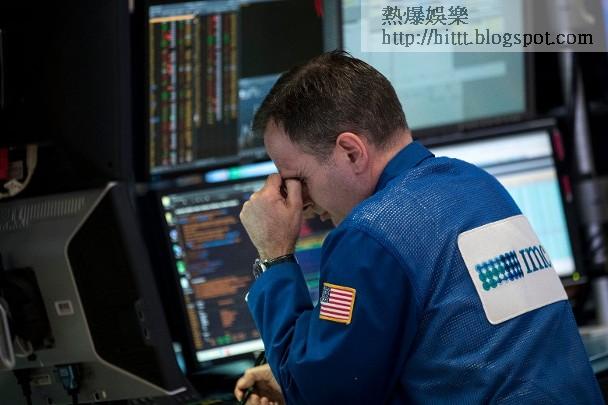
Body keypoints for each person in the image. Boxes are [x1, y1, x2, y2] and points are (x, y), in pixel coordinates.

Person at [234, 50, 603, 404]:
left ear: (351, 152)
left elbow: (323, 395)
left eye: (298, 180)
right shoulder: (476, 184)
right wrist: (291, 376)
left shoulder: (370, 235)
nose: (304, 204)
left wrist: (274, 257)